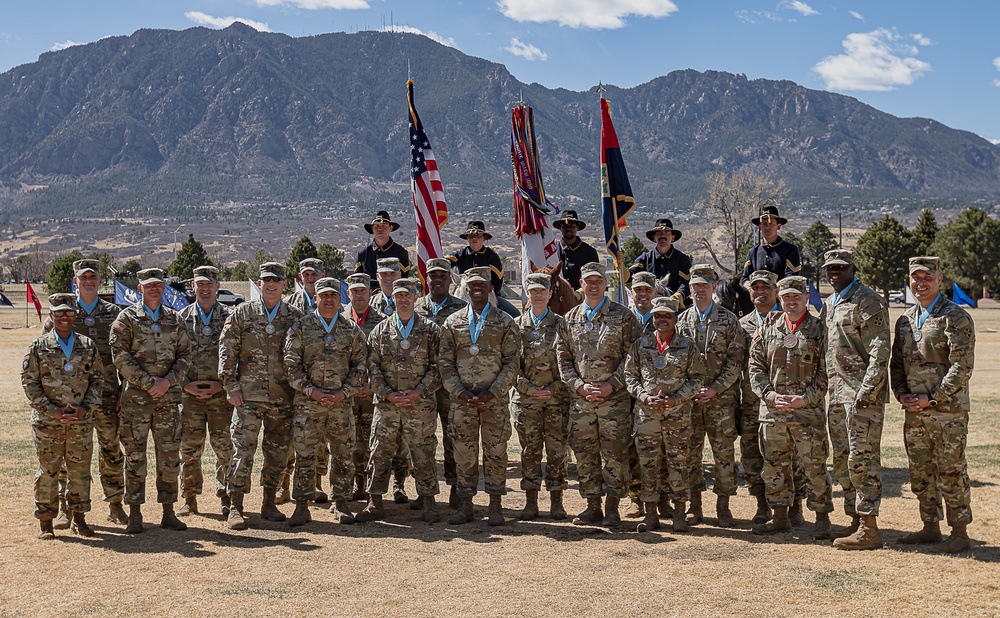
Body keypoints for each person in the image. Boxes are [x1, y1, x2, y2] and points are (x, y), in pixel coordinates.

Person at [890, 256, 976, 554]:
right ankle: (930, 527)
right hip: (914, 412)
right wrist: (901, 394)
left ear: (940, 279)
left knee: (950, 470)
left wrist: (934, 396)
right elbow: (896, 365)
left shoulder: (955, 317)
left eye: (927, 277)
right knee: (920, 471)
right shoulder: (905, 320)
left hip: (947, 412)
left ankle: (960, 531)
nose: (920, 283)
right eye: (915, 277)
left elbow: (962, 367)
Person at [219, 262, 304, 530]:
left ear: (284, 285)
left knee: (277, 453)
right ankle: (236, 506)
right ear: (259, 282)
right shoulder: (242, 313)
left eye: (276, 280)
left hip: (283, 397)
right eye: (266, 280)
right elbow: (227, 350)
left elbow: (302, 356)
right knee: (242, 452)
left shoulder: (295, 316)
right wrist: (230, 386)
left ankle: (269, 503)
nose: (270, 285)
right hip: (248, 397)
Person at [556, 262, 641, 527]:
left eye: (598, 281)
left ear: (606, 284)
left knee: (615, 454)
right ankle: (592, 506)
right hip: (582, 401)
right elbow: (563, 358)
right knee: (585, 454)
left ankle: (613, 508)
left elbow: (633, 358)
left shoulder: (624, 316)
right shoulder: (569, 319)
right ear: (580, 284)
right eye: (588, 281)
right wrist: (578, 386)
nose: (593, 286)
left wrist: (612, 385)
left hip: (613, 401)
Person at [42, 259, 126, 527]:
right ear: (75, 281)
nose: (89, 280)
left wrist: (124, 393)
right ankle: (67, 508)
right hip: (72, 397)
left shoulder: (115, 314)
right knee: (71, 454)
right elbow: (48, 356)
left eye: (93, 276)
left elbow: (124, 355)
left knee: (111, 448)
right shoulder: (63, 312)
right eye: (83, 277)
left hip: (108, 394)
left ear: (101, 280)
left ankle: (115, 504)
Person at [749, 276, 833, 539]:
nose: (791, 301)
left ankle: (821, 518)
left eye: (796, 296)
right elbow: (755, 368)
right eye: (786, 297)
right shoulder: (768, 326)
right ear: (779, 297)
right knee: (774, 466)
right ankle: (781, 517)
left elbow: (826, 372)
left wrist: (804, 399)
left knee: (814, 466)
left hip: (808, 413)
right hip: (773, 414)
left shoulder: (819, 329)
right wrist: (770, 395)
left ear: (806, 298)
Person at [109, 268, 192, 534]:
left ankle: (168, 510)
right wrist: (148, 383)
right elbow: (119, 357)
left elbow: (185, 356)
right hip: (136, 401)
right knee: (135, 457)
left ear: (164, 288)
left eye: (159, 285)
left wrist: (167, 382)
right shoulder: (127, 318)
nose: (154, 289)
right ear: (140, 288)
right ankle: (135, 512)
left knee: (169, 456)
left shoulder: (175, 319)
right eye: (149, 285)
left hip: (168, 400)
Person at [438, 267, 520, 525]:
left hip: (493, 401)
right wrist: (458, 391)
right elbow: (444, 362)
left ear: (489, 289)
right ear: (465, 289)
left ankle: (495, 504)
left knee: (496, 452)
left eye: (481, 285)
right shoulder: (453, 322)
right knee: (463, 452)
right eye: (472, 285)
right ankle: (465, 505)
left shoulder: (504, 321)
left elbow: (512, 362)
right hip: (462, 402)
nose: (476, 289)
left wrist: (493, 392)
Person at [820, 249, 890, 550]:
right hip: (837, 395)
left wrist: (868, 390)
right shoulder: (829, 303)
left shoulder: (867, 300)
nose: (834, 272)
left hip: (861, 398)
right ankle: (854, 518)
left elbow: (880, 349)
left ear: (852, 268)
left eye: (840, 267)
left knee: (863, 460)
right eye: (830, 268)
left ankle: (869, 527)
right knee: (842, 460)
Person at [284, 277, 368, 526]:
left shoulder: (351, 330)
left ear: (340, 298)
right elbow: (291, 366)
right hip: (309, 404)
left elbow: (360, 367)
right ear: (315, 298)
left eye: (333, 295)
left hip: (341, 405)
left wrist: (344, 392)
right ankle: (301, 505)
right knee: (305, 455)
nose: (329, 299)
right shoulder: (301, 327)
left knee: (343, 454)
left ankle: (340, 502)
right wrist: (312, 391)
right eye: (324, 295)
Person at [358, 278, 443, 523]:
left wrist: (419, 392)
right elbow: (371, 368)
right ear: (392, 298)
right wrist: (386, 393)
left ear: (417, 297)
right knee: (379, 451)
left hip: (420, 405)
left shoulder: (430, 330)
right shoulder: (380, 331)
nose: (403, 299)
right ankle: (374, 501)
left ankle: (428, 501)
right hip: (387, 405)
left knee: (423, 452)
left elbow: (438, 367)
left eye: (408, 295)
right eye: (399, 295)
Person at [22, 294, 104, 539]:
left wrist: (85, 408)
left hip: (80, 421)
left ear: (75, 316)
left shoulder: (88, 346)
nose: (64, 317)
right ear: (51, 316)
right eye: (59, 313)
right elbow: (29, 382)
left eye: (68, 312)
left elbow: (98, 380)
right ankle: (45, 522)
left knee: (80, 470)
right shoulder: (38, 347)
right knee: (48, 471)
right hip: (48, 423)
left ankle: (79, 518)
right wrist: (52, 410)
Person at [624, 296, 706, 533]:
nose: (662, 320)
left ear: (675, 318)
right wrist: (644, 396)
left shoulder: (687, 346)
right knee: (648, 464)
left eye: (667, 316)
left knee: (678, 464)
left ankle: (679, 513)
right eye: (658, 316)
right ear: (653, 318)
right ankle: (650, 514)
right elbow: (630, 376)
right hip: (647, 414)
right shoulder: (641, 344)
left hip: (677, 415)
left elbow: (697, 378)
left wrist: (676, 398)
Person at [675, 264, 744, 528]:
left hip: (721, 401)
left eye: (705, 285)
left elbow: (735, 361)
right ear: (690, 289)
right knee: (691, 455)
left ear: (714, 288)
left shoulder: (728, 321)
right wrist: (690, 390)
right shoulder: (681, 322)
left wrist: (715, 388)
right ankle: (695, 506)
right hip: (690, 403)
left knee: (723, 455)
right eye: (696, 286)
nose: (700, 290)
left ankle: (723, 506)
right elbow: (676, 362)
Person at [510, 273, 570, 521]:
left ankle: (557, 501)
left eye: (541, 291)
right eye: (533, 291)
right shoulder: (515, 325)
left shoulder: (562, 324)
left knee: (557, 452)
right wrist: (529, 389)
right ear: (527, 293)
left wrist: (553, 389)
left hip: (556, 400)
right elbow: (510, 365)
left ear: (549, 294)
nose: (537, 295)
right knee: (530, 451)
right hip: (527, 400)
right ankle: (530, 501)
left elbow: (568, 362)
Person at [176, 265, 234, 518]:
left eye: (209, 283)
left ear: (217, 286)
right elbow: (172, 356)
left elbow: (238, 355)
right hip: (189, 396)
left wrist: (222, 384)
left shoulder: (231, 317)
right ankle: (189, 498)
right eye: (200, 283)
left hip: (221, 395)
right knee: (189, 449)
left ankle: (227, 496)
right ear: (193, 287)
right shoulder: (181, 318)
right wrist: (184, 384)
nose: (205, 288)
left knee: (225, 448)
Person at [413, 257, 468, 507]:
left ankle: (456, 487)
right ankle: (424, 491)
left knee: (453, 436)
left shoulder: (462, 308)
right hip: (421, 383)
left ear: (449, 279)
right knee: (421, 438)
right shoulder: (417, 307)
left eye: (442, 276)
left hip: (450, 384)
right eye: (433, 276)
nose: (437, 280)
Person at [342, 273, 385, 502]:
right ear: (348, 293)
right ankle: (347, 488)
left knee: (370, 443)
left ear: (370, 292)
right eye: (354, 291)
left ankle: (368, 489)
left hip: (371, 394)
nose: (359, 295)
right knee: (346, 443)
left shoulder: (381, 322)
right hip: (346, 395)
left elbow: (384, 360)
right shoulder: (339, 320)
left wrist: (372, 385)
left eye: (363, 290)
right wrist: (350, 387)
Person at [623, 270, 658, 519]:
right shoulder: (622, 318)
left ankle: (662, 498)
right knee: (630, 448)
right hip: (626, 393)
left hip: (657, 395)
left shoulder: (665, 317)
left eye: (647, 290)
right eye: (638, 290)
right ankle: (635, 498)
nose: (642, 294)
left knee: (661, 449)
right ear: (631, 293)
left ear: (654, 293)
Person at [448, 220, 519, 318]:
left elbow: (497, 281)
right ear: (467, 238)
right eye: (471, 236)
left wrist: (486, 294)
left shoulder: (492, 257)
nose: (475, 239)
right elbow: (444, 264)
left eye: (478, 236)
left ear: (484, 238)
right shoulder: (461, 254)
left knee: (515, 315)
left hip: (489, 295)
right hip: (464, 294)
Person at [628, 218, 692, 303]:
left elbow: (686, 283)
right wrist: (621, 268)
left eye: (667, 233)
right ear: (654, 238)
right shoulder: (645, 258)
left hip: (676, 304)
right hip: (649, 303)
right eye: (659, 233)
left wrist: (678, 296)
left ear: (673, 238)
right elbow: (631, 276)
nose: (663, 236)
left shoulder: (682, 259)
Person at [738, 205, 801, 286]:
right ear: (760, 226)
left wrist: (773, 290)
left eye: (771, 224)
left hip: (779, 296)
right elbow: (745, 278)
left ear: (778, 226)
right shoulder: (753, 252)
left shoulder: (790, 250)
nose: (768, 227)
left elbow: (791, 276)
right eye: (764, 224)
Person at [355, 210, 411, 289]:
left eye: (384, 226)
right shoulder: (362, 254)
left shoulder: (400, 253)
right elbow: (358, 280)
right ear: (372, 229)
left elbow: (404, 279)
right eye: (377, 226)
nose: (380, 229)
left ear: (390, 228)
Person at [553, 210, 600, 290]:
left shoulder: (589, 252)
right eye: (565, 226)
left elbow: (594, 279)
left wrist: (579, 293)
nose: (568, 229)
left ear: (577, 227)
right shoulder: (553, 250)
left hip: (581, 297)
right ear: (560, 228)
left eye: (572, 226)